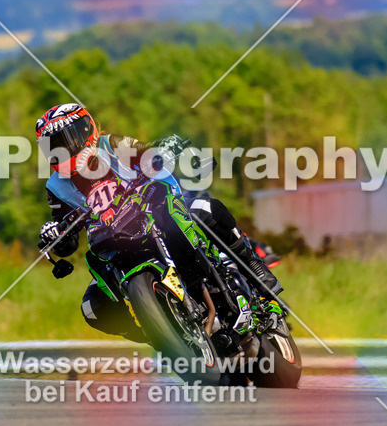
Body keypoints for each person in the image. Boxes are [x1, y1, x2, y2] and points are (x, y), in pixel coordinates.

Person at [34, 102, 280, 341]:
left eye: (69, 140)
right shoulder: (55, 187)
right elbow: (66, 241)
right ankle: (155, 336)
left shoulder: (111, 145)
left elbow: (146, 151)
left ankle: (256, 270)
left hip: (153, 210)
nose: (64, 150)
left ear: (87, 130)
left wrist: (162, 150)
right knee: (92, 307)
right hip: (112, 243)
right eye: (54, 146)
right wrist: (54, 234)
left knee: (208, 209)